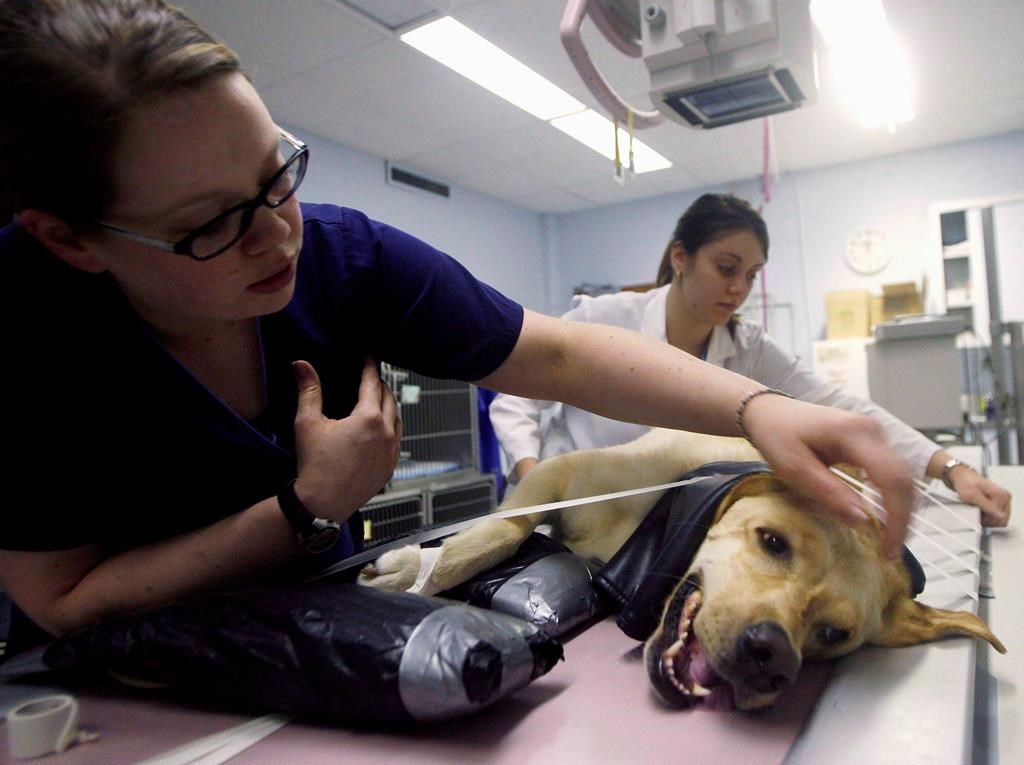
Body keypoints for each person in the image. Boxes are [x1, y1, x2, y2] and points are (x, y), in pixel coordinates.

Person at [0, 0, 917, 652]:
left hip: (314, 627)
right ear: (71, 242)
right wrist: (303, 505)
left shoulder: (341, 258)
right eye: (211, 224)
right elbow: (65, 602)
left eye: (278, 169)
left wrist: (756, 408)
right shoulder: (28, 332)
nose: (279, 231)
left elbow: (553, 351)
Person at [490, 193, 1012, 526]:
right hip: (565, 513)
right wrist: (536, 481)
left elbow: (838, 406)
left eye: (752, 274)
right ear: (680, 258)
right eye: (726, 267)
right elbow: (517, 396)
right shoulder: (607, 317)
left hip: (654, 525)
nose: (739, 288)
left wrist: (950, 468)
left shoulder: (749, 348)